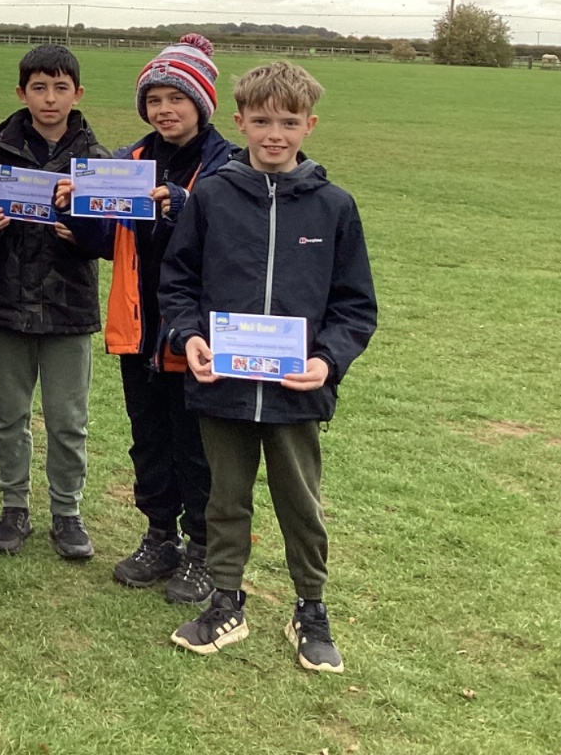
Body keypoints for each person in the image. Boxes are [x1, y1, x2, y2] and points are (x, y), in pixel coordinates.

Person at [161, 61, 376, 672]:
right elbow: (178, 281)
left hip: (294, 390)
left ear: (310, 125)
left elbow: (355, 305)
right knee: (224, 499)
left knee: (301, 505)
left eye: (287, 122)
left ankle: (311, 608)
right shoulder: (213, 196)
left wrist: (327, 361)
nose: (274, 134)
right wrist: (189, 337)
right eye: (261, 121)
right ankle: (226, 602)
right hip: (224, 384)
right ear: (240, 122)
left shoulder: (334, 206)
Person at [55, 34, 236, 604]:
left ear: (201, 103)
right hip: (139, 326)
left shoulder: (227, 165)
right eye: (154, 99)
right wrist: (77, 211)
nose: (164, 109)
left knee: (197, 444)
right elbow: (105, 242)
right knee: (149, 438)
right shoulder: (130, 161)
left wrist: (184, 207)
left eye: (176, 98)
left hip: (197, 333)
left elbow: (234, 243)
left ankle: (203, 548)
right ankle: (160, 535)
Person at [0, 44, 109, 558]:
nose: (49, 98)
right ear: (21, 92)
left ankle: (67, 513)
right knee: (9, 414)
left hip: (69, 307)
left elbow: (111, 241)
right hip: (9, 301)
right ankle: (14, 506)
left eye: (60, 88)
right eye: (38, 88)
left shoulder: (98, 159)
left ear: (78, 93)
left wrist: (82, 233)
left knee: (67, 419)